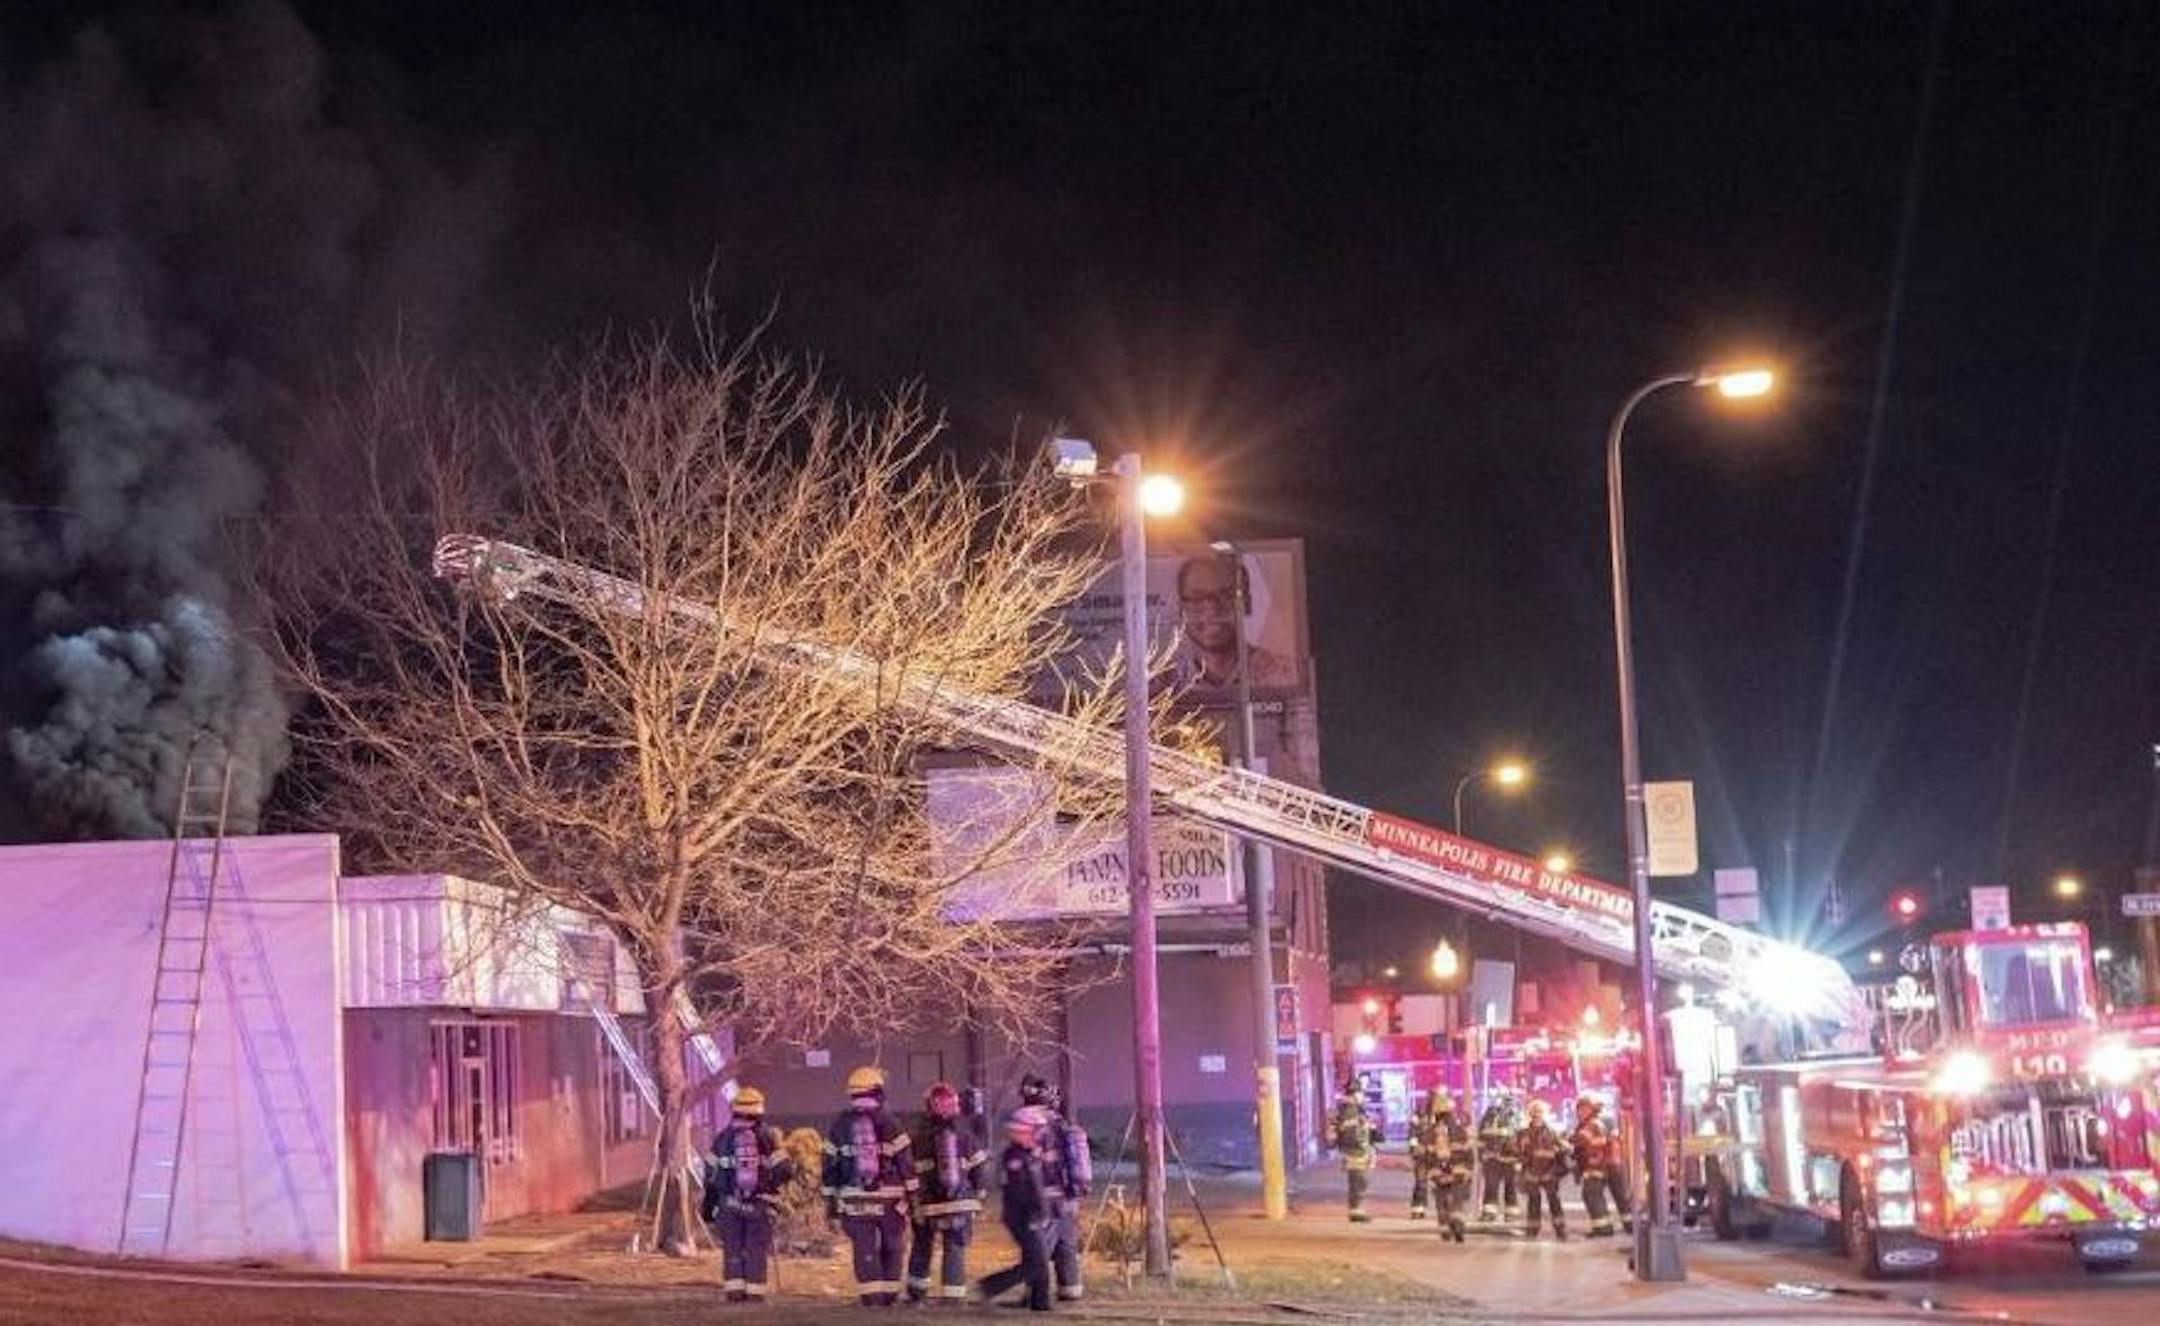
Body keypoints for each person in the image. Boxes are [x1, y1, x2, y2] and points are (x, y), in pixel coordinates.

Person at [822, 1066, 917, 1306]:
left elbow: (829, 1167)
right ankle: (889, 1295)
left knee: (864, 1245)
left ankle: (870, 1296)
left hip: (855, 1200)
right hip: (890, 1200)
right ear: (879, 1092)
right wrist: (913, 1195)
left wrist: (831, 1202)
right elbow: (906, 1162)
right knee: (892, 1246)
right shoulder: (892, 1123)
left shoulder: (840, 1126)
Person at [700, 1085, 791, 1302]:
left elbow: (710, 1175)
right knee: (755, 1248)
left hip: (728, 1204)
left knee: (732, 1247)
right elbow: (785, 1170)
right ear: (759, 1111)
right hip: (758, 1205)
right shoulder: (767, 1137)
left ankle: (734, 1291)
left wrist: (708, 1206)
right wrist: (769, 1186)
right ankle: (755, 1293)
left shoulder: (722, 1139)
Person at [907, 1082, 990, 1303]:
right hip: (959, 1203)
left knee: (922, 1245)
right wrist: (979, 1194)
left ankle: (916, 1292)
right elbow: (979, 1167)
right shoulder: (964, 1134)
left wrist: (912, 1199)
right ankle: (953, 1295)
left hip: (927, 1204)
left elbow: (908, 1169)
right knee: (954, 1247)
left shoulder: (917, 1136)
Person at [1173, 555, 1299, 695]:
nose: (1212, 609)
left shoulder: (1288, 675)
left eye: (1226, 596)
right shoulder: (1158, 685)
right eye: (1197, 598)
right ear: (1180, 608)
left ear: (1247, 604)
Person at [1020, 1074, 1091, 1301]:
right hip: (1068, 1198)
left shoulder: (1031, 1129)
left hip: (1044, 1199)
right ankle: (1070, 1288)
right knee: (1066, 1243)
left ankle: (1036, 1293)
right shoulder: (1065, 1127)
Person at [977, 1106, 1054, 1312]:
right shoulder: (1015, 1156)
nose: (1038, 1135)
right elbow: (1020, 1191)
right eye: (1034, 1130)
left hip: (1031, 1214)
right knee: (1035, 1263)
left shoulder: (1028, 1154)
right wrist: (1033, 1213)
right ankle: (990, 1286)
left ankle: (1040, 1303)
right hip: (1022, 1216)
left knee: (1039, 1260)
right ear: (1022, 1131)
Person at [1568, 1096, 1631, 1237]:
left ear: (1591, 1110)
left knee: (1591, 1194)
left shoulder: (1593, 1124)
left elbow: (1582, 1139)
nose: (1580, 1113)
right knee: (1620, 1195)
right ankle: (1630, 1225)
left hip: (1597, 1165)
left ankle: (1603, 1228)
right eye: (1579, 1109)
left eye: (1584, 1109)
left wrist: (1568, 1140)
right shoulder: (1599, 1122)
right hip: (1611, 1164)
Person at [1516, 1099, 1569, 1240]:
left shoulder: (1552, 1133)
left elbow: (1564, 1149)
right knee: (1534, 1201)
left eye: (1539, 1111)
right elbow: (1516, 1151)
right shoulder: (1523, 1134)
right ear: (1529, 1113)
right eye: (1534, 1111)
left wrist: (1559, 1154)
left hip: (1549, 1173)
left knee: (1554, 1201)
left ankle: (1560, 1230)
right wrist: (1523, 1165)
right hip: (1532, 1173)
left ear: (1544, 1114)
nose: (1536, 1114)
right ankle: (1532, 1230)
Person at [1327, 1080, 1377, 1223]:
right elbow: (1352, 1132)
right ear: (1355, 1094)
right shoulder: (1351, 1110)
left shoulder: (1352, 1109)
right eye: (1360, 1093)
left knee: (1358, 1181)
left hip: (1356, 1150)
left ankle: (1356, 1210)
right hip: (1356, 1151)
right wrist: (1361, 1144)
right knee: (1359, 1181)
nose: (1362, 1096)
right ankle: (1356, 1211)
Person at [1427, 1093, 1474, 1244]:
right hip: (1457, 1174)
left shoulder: (1429, 1133)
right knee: (1457, 1203)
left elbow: (1425, 1156)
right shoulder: (1460, 1131)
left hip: (1440, 1174)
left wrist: (1432, 1174)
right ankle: (1457, 1226)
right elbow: (1469, 1154)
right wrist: (1467, 1170)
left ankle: (1446, 1229)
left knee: (1442, 1203)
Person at [1475, 1091, 1522, 1223]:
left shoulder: (1517, 1116)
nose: (1504, 1104)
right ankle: (1489, 1212)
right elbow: (1481, 1134)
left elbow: (1521, 1137)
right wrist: (1482, 1154)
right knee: (1491, 1185)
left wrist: (1520, 1159)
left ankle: (1511, 1212)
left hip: (1510, 1158)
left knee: (1510, 1186)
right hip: (1492, 1157)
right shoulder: (1490, 1115)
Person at [1406, 1091, 1448, 1220]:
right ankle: (1418, 1209)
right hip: (1422, 1154)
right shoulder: (1420, 1113)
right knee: (1421, 1182)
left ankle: (1444, 1209)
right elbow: (1412, 1131)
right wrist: (1414, 1147)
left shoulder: (1445, 1116)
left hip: (1438, 1155)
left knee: (1442, 1182)